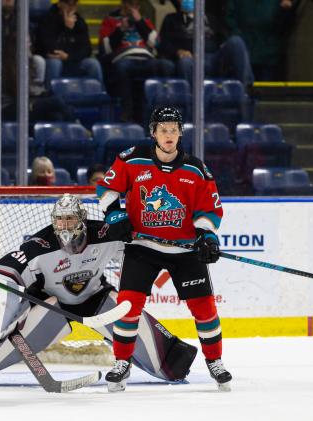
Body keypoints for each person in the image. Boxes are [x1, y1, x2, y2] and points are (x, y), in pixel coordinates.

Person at [0, 194, 198, 389]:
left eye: (71, 219)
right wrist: (6, 315)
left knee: (170, 366)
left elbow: (144, 246)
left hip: (96, 298)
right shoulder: (39, 245)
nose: (65, 225)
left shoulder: (105, 234)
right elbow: (5, 269)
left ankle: (169, 361)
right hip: (51, 305)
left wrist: (181, 245)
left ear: (82, 219)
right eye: (60, 219)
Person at [96, 106, 231, 392]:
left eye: (173, 129)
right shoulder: (132, 159)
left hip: (185, 250)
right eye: (163, 129)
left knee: (205, 309)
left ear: (181, 133)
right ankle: (121, 363)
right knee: (128, 307)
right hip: (142, 247)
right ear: (153, 132)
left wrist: (207, 234)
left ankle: (215, 361)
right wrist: (114, 214)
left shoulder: (196, 169)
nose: (168, 135)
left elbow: (210, 208)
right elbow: (107, 189)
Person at [98, 0, 174, 122]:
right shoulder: (110, 21)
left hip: (146, 58)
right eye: (130, 4)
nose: (133, 8)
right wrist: (120, 29)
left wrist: (140, 22)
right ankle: (127, 111)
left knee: (167, 65)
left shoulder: (144, 21)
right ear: (123, 4)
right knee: (122, 67)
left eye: (136, 5)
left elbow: (156, 43)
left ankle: (162, 110)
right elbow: (106, 49)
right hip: (124, 57)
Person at [158, 0, 254, 88]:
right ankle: (192, 101)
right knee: (185, 63)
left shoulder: (211, 19)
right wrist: (178, 51)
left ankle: (247, 89)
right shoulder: (171, 19)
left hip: (213, 58)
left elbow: (224, 37)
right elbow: (164, 44)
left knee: (236, 41)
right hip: (191, 59)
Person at [36, 0, 104, 87]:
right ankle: (50, 94)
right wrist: (66, 29)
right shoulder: (48, 19)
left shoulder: (79, 22)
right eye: (69, 4)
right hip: (54, 60)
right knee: (55, 63)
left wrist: (69, 56)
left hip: (72, 60)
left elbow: (87, 49)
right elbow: (49, 46)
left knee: (93, 64)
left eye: (75, 4)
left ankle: (98, 95)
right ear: (60, 4)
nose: (72, 8)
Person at [225, 0, 297, 81]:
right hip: (244, 55)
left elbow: (283, 25)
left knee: (266, 90)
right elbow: (229, 20)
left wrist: (285, 11)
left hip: (269, 55)